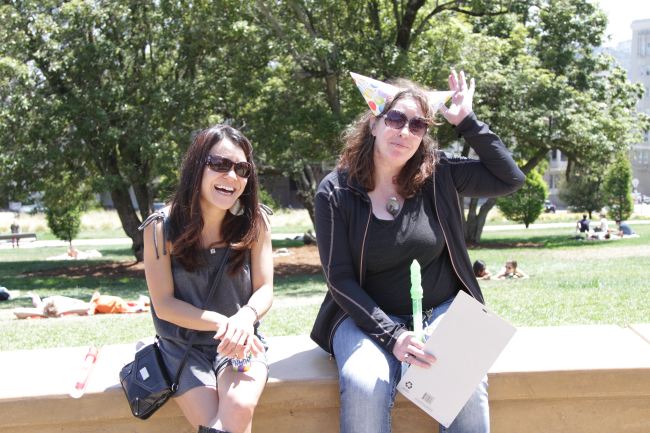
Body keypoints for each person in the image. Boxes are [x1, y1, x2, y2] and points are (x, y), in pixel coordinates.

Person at [311, 69, 524, 433]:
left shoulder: (438, 173)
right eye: (395, 119)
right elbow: (340, 279)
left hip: (440, 310)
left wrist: (467, 122)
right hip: (363, 319)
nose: (405, 131)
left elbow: (510, 178)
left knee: (466, 383)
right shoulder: (335, 192)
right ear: (374, 124)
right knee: (366, 384)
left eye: (418, 124)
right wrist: (393, 336)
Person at [139, 125, 273, 433]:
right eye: (220, 164)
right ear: (196, 166)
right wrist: (225, 323)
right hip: (183, 346)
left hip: (239, 342)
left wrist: (245, 318)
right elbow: (164, 305)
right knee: (215, 427)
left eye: (241, 169)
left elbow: (265, 289)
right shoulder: (160, 227)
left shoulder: (255, 222)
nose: (232, 176)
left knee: (239, 407)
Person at [12, 292, 150, 319]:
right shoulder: (60, 309)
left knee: (126, 305)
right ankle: (141, 303)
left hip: (97, 302)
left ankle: (141, 302)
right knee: (126, 306)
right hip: (98, 304)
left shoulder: (45, 306)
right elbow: (17, 311)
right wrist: (43, 312)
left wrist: (36, 301)